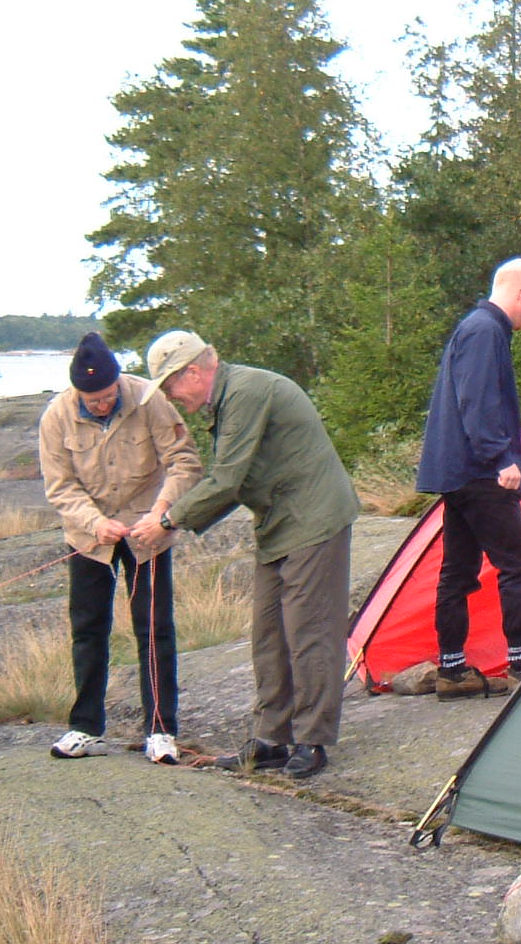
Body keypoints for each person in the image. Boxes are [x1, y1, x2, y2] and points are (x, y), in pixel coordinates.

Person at [132, 332, 358, 780]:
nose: (172, 396)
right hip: (278, 524)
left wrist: (168, 521)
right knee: (269, 634)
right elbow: (235, 481)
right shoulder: (228, 398)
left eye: (171, 385)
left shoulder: (247, 391)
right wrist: (172, 517)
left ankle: (312, 741)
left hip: (314, 519)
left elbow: (227, 479)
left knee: (309, 632)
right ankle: (272, 738)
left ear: (193, 372)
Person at [38, 332, 201, 765]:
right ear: (78, 392)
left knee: (154, 628)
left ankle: (161, 730)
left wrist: (161, 512)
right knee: (88, 628)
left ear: (118, 383)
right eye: (93, 400)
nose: (102, 404)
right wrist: (95, 522)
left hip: (148, 532)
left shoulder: (148, 399)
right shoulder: (56, 416)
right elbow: (60, 486)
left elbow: (184, 461)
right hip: (89, 537)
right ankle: (86, 727)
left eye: (109, 395)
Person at [416, 257, 521, 700]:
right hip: (479, 472)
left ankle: (452, 671)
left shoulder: (476, 328)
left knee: (458, 570)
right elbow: (477, 400)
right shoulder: (485, 330)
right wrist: (501, 458)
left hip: (457, 472)